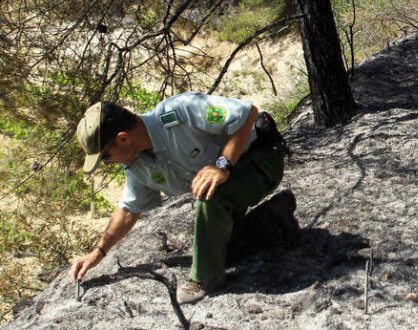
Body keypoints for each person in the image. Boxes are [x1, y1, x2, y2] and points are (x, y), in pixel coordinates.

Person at [68, 92, 289, 304]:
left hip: (261, 158)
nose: (107, 163)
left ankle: (206, 279)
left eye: (105, 156)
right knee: (223, 252)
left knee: (210, 196)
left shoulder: (181, 111)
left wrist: (222, 164)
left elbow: (247, 113)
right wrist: (97, 253)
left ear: (123, 138)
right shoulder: (138, 165)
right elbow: (128, 210)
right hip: (230, 187)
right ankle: (274, 214)